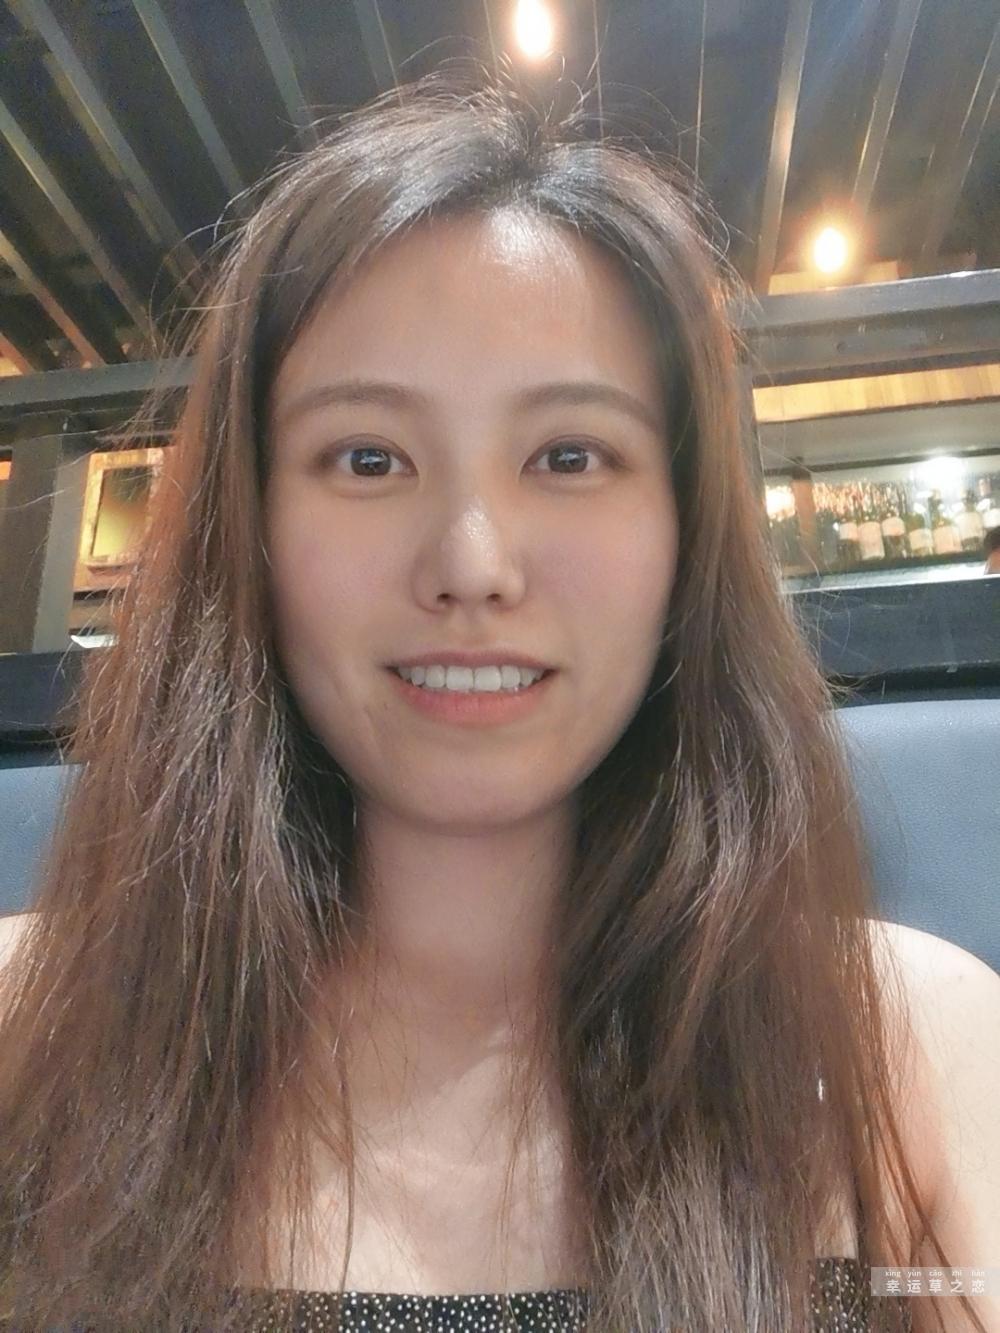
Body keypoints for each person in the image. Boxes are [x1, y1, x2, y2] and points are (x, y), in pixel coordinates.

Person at [0, 61, 997, 1333]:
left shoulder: (902, 1052)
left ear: (684, 530)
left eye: (569, 455)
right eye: (368, 457)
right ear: (248, 528)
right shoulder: (36, 1028)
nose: (472, 566)